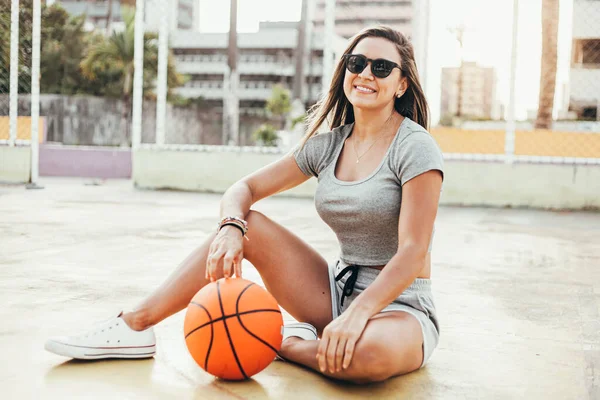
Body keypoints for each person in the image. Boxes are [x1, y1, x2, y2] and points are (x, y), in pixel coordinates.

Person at [45, 26, 444, 384]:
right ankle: (134, 325)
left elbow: (413, 252)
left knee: (364, 359)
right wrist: (232, 227)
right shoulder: (329, 145)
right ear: (345, 71)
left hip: (400, 305)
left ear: (402, 84)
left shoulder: (415, 147)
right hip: (335, 294)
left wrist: (359, 316)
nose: (366, 74)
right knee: (249, 222)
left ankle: (282, 340)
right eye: (357, 62)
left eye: (381, 67)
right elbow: (244, 188)